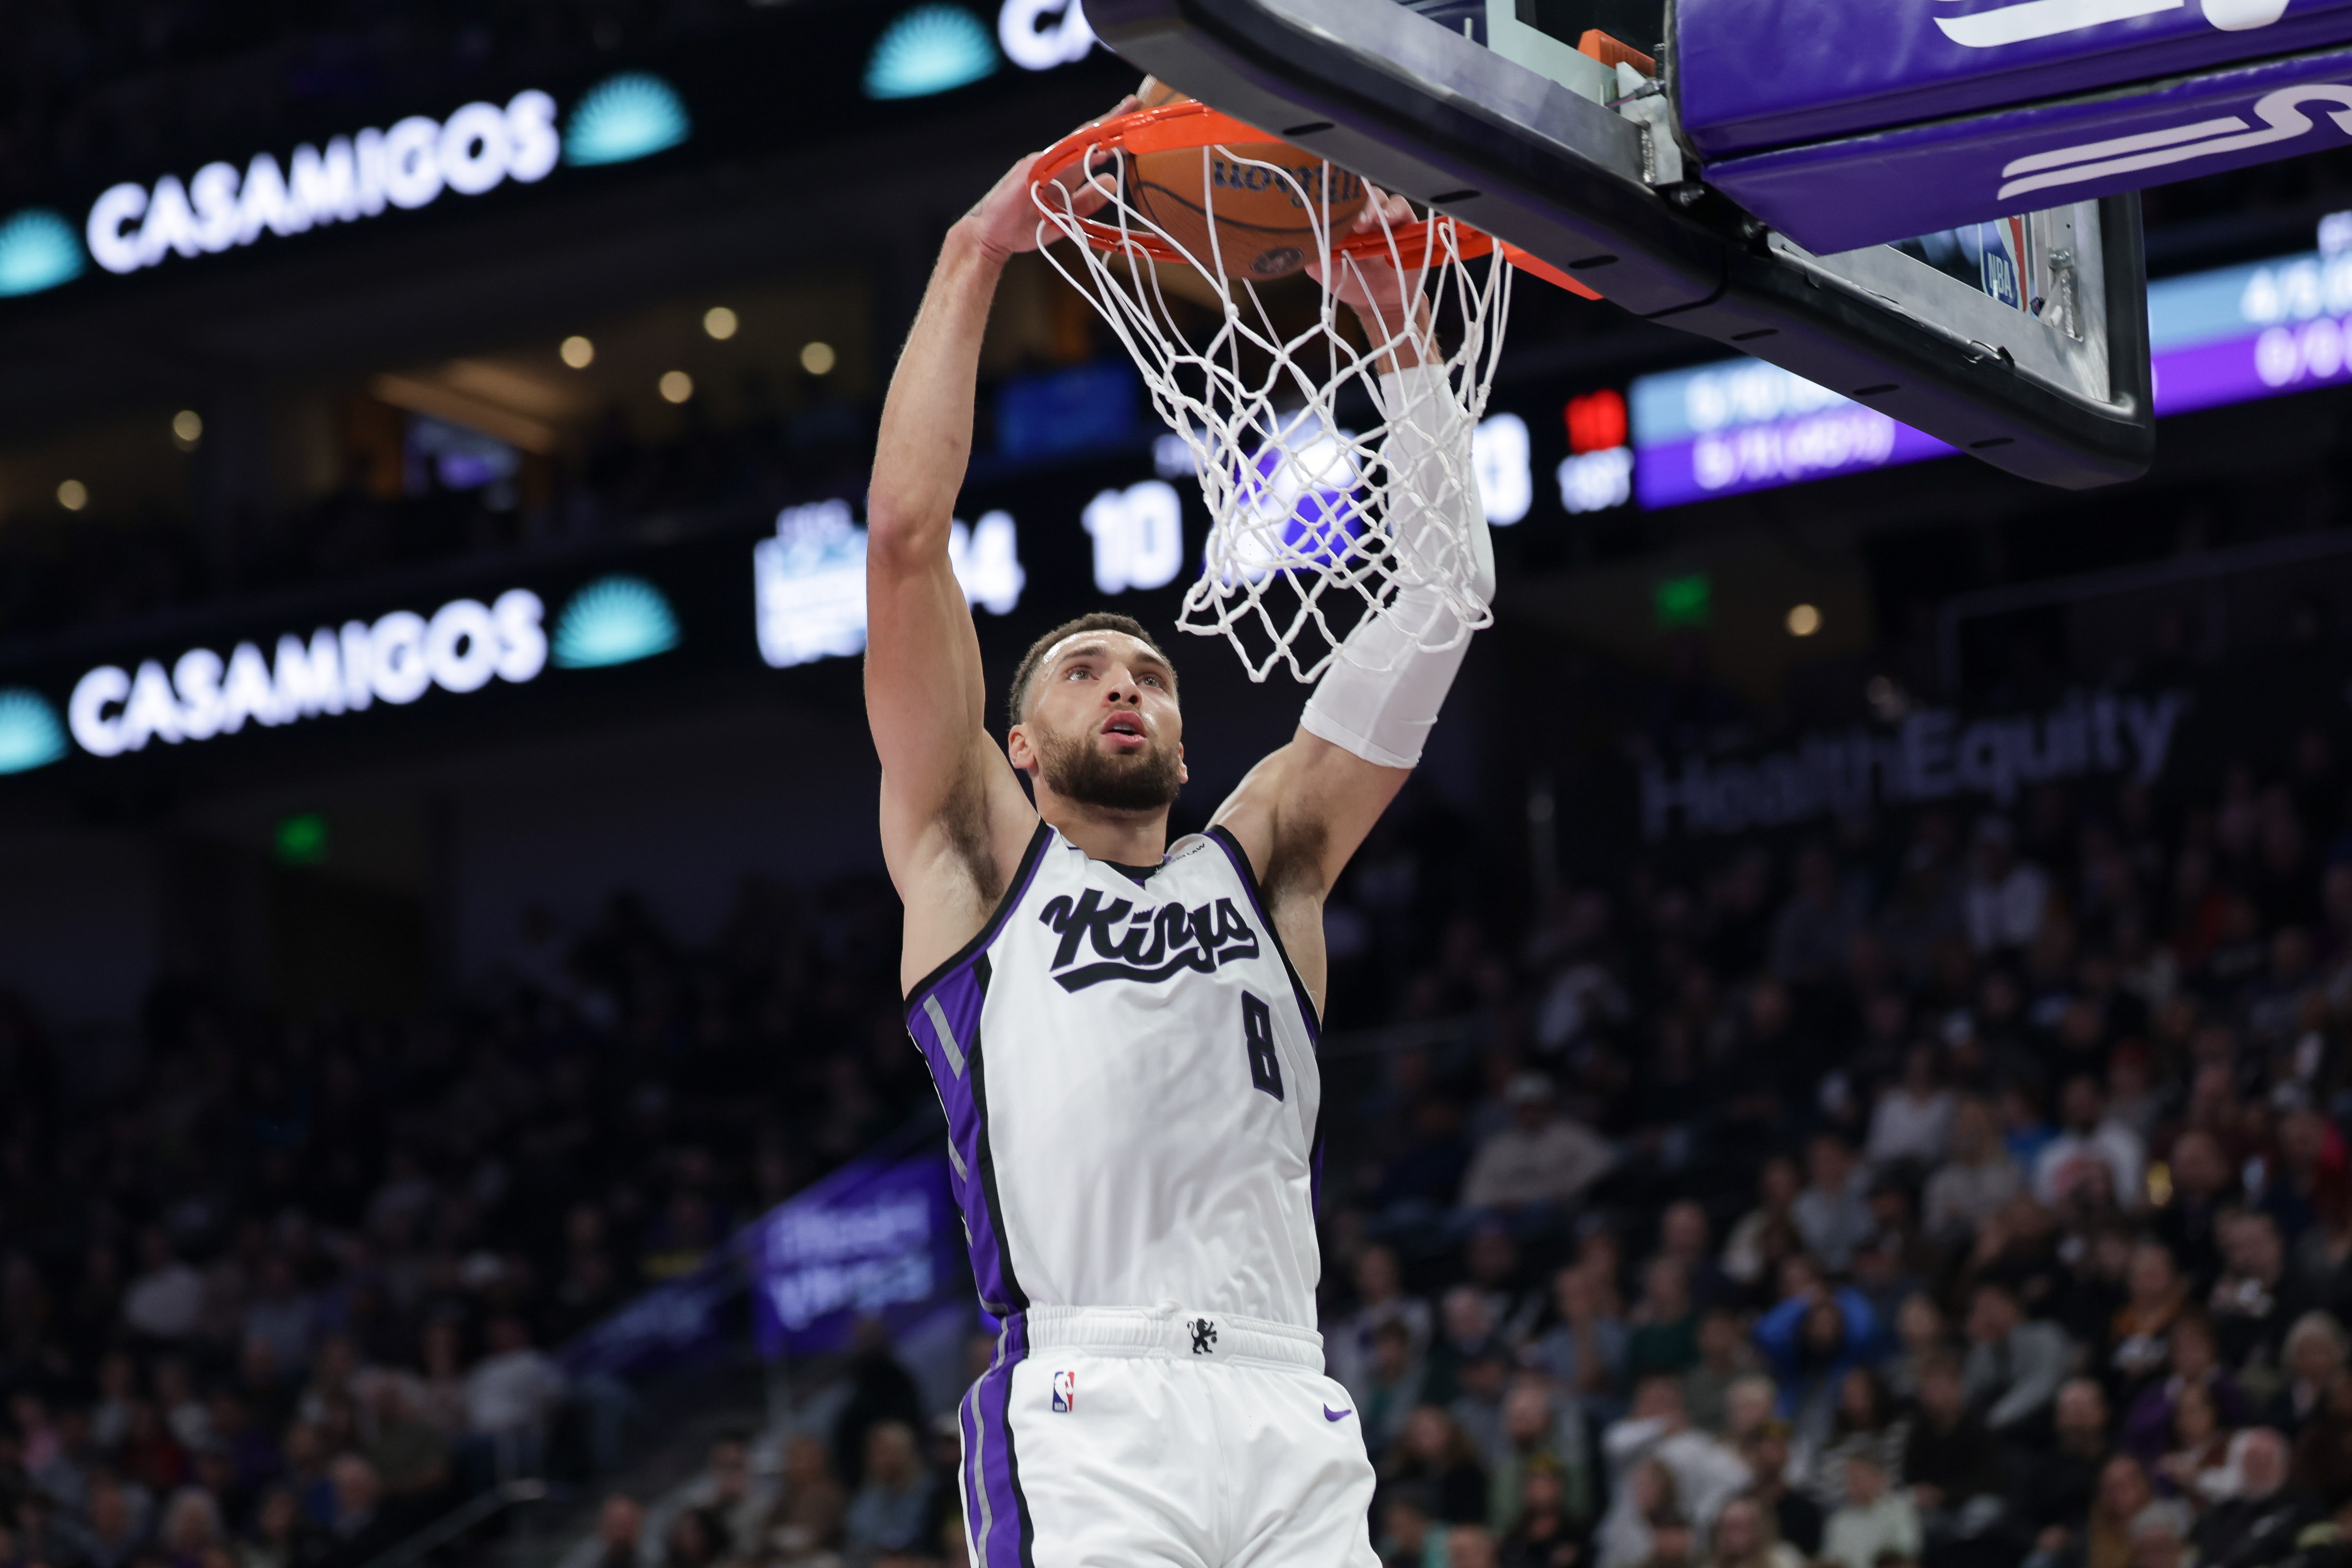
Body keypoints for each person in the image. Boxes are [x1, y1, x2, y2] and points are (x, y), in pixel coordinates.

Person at [870, 97, 1497, 1568]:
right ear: (1018, 747)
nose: (1124, 683)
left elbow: (1437, 602)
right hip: (1090, 1401)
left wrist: (1396, 330)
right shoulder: (978, 862)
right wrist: (973, 250)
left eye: (1148, 671)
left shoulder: (1266, 854)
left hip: (1289, 1398)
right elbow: (904, 541)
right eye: (1082, 671)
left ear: (1184, 734)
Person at [1460, 1074, 1617, 1214]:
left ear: (1548, 1107)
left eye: (1536, 1107)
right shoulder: (1498, 1145)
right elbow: (1475, 1191)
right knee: (1460, 1221)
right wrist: (1499, 1203)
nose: (1530, 1114)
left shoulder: (1569, 1134)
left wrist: (1568, 1187)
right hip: (1502, 1214)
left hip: (1551, 1208)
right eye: (1525, 1108)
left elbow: (1604, 1160)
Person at [1821, 1454, 1921, 1568]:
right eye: (1850, 1478)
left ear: (1879, 1478)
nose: (1853, 1483)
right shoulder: (1839, 1521)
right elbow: (1832, 1560)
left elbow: (1907, 1552)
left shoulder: (1900, 1510)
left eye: (1859, 1477)